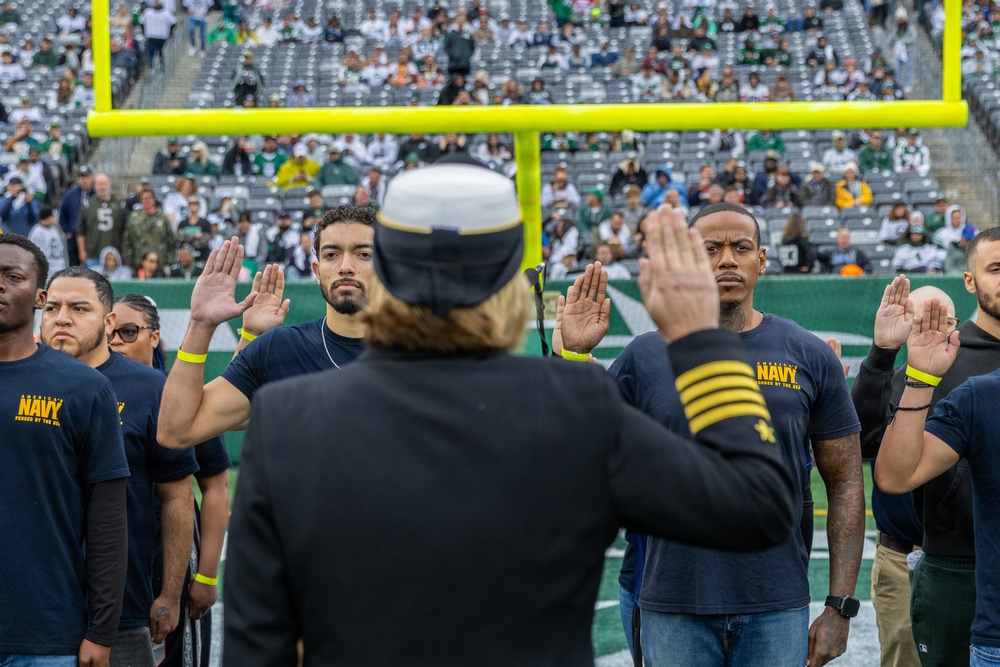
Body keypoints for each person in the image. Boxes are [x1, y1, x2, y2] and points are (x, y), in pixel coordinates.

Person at [222, 164, 799, 666]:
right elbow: (758, 507)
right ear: (508, 280)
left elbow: (258, 644)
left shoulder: (288, 417)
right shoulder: (574, 405)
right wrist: (699, 342)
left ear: (389, 273)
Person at [587, 202, 863, 667]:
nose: (727, 260)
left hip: (777, 601)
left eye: (741, 247)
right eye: (710, 249)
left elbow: (847, 482)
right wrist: (575, 357)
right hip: (672, 601)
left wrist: (839, 607)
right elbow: (585, 459)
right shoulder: (643, 356)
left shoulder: (808, 353)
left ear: (762, 259)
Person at [40, 266, 199, 667]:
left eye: (79, 308)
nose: (62, 318)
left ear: (109, 321)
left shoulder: (150, 388)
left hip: (124, 608)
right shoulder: (20, 380)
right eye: (53, 307)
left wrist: (169, 594)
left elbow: (178, 497)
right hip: (33, 605)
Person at [862, 230, 1000, 665]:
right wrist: (883, 354)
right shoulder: (942, 358)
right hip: (949, 562)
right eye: (997, 268)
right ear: (970, 280)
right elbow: (872, 448)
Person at [0, 234, 128, 667]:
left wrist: (101, 630)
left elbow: (107, 520)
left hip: (48, 635)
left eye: (13, 276)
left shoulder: (84, 387)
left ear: (39, 298)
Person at [158, 205, 375, 449]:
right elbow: (175, 432)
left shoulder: (412, 353)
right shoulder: (281, 349)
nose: (345, 266)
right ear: (317, 271)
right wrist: (201, 325)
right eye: (331, 255)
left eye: (363, 254)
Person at [111, 293, 231, 667]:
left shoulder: (178, 396)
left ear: (154, 336)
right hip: (116, 559)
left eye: (128, 331)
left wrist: (206, 577)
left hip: (170, 558)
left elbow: (215, 488)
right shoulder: (88, 392)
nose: (116, 341)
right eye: (109, 332)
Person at [78, 173, 127, 268]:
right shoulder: (88, 205)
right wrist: (82, 251)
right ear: (95, 186)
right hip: (94, 253)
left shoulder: (119, 204)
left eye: (104, 183)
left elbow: (125, 230)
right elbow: (81, 230)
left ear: (109, 185)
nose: (102, 187)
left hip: (115, 255)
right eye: (100, 184)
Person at [123, 189, 176, 269]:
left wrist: (169, 259)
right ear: (141, 201)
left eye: (149, 198)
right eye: (144, 198)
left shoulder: (162, 217)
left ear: (154, 200)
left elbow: (170, 239)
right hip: (139, 261)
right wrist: (129, 259)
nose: (147, 201)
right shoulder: (134, 217)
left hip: (160, 261)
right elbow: (127, 240)